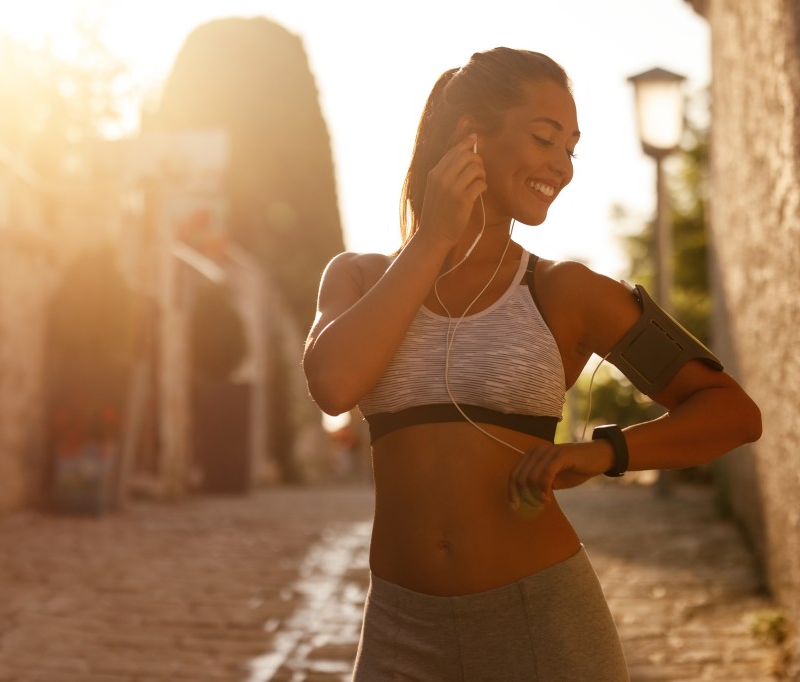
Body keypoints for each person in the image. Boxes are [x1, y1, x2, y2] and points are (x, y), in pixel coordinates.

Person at [302, 47, 761, 682]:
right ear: (471, 136)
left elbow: (733, 413)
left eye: (571, 148)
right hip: (399, 629)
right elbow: (332, 384)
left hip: (540, 624)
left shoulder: (567, 291)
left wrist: (604, 453)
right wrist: (434, 237)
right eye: (545, 138)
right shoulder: (357, 276)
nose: (562, 166)